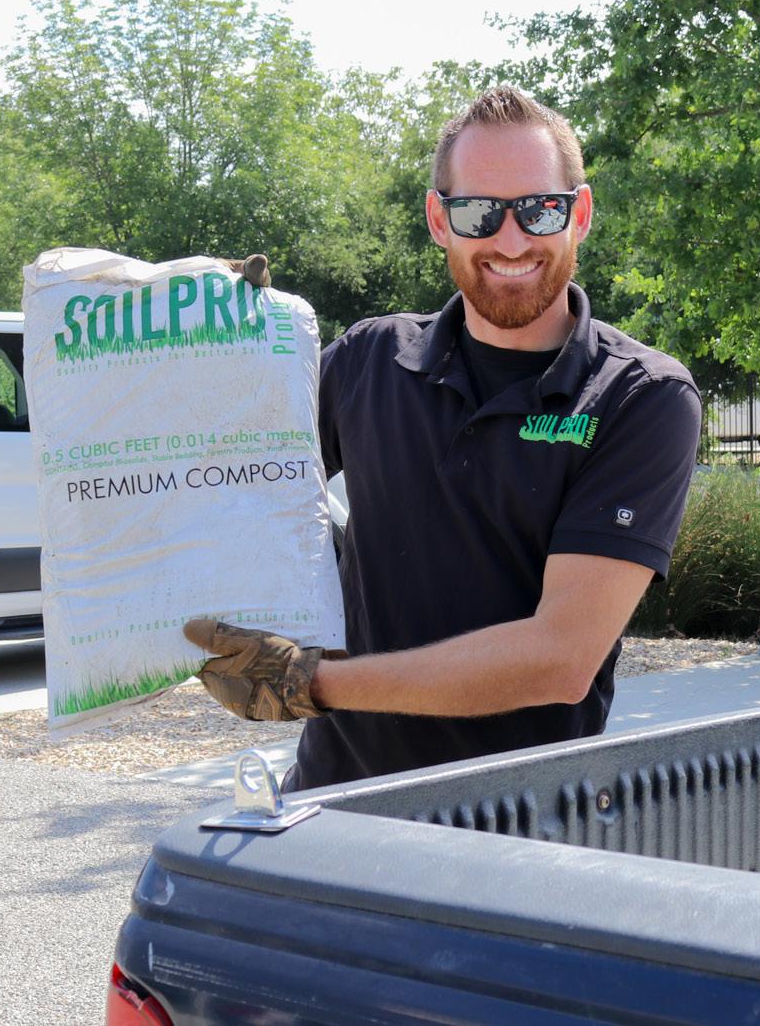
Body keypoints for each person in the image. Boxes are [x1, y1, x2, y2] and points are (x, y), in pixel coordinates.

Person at [185, 86, 702, 791]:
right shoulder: (368, 360)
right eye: (478, 212)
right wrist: (220, 346)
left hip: (512, 824)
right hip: (333, 801)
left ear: (578, 214)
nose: (511, 240)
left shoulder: (638, 397)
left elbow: (559, 658)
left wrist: (311, 682)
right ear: (439, 219)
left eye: (540, 209)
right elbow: (226, 485)